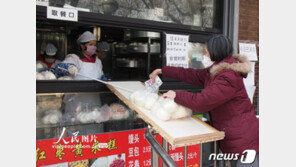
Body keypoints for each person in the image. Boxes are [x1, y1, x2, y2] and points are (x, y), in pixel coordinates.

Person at [149, 34, 259, 167]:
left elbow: (202, 102)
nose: (206, 54)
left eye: (207, 50)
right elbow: (192, 74)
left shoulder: (228, 76)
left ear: (216, 51)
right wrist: (163, 70)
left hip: (243, 140)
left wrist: (176, 95)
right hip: (233, 134)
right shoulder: (218, 70)